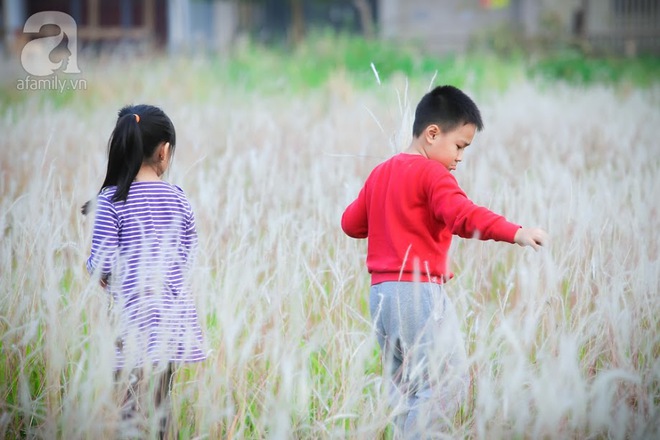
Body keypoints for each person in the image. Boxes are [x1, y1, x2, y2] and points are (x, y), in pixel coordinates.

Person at [341, 85, 548, 437]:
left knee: (405, 389)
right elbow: (463, 216)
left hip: (381, 296)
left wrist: (389, 221)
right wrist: (516, 231)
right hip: (418, 293)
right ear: (432, 134)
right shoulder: (433, 175)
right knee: (443, 385)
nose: (460, 158)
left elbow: (351, 223)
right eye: (459, 146)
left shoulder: (380, 172)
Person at [83, 104, 206, 438]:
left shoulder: (111, 200)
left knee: (129, 404)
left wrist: (103, 278)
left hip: (131, 317)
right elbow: (189, 254)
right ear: (164, 151)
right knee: (161, 402)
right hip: (172, 317)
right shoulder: (179, 198)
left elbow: (102, 264)